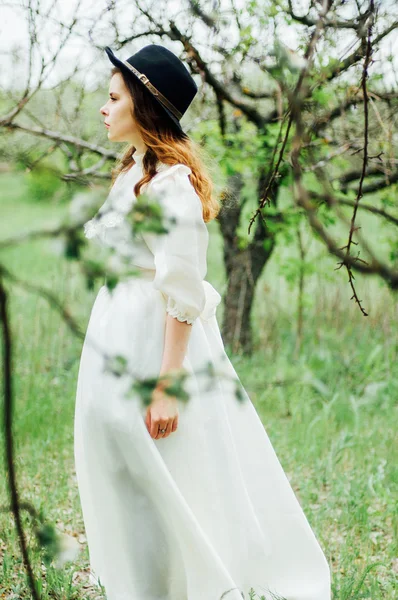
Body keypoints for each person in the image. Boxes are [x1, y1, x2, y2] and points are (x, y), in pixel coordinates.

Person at [74, 44, 331, 600]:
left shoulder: (172, 187)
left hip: (150, 342)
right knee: (120, 466)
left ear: (143, 106)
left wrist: (168, 384)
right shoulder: (133, 173)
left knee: (157, 471)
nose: (103, 107)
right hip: (115, 331)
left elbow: (183, 291)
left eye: (113, 97)